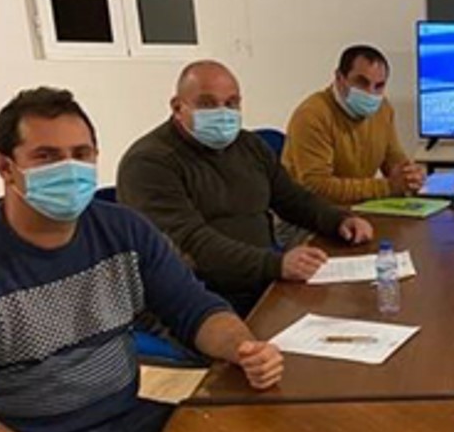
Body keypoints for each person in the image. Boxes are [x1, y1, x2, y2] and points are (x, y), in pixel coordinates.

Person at [0, 87, 284, 432]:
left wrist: (244, 347)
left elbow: (195, 309)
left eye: (81, 153)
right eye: (46, 156)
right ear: (5, 166)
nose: (69, 169)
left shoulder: (124, 230)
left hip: (125, 418)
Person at [117, 60, 373, 316]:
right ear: (177, 107)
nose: (222, 113)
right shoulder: (148, 163)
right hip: (197, 299)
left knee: (356, 307)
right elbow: (191, 244)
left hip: (260, 283)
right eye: (207, 103)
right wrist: (275, 265)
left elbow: (292, 199)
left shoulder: (249, 145)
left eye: (231, 103)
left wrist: (339, 220)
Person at [281, 45, 425, 204]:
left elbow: (395, 161)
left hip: (357, 208)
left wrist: (411, 177)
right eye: (361, 82)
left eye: (379, 86)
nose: (370, 93)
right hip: (307, 212)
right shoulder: (312, 115)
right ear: (339, 78)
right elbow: (316, 187)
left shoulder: (383, 109)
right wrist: (388, 187)